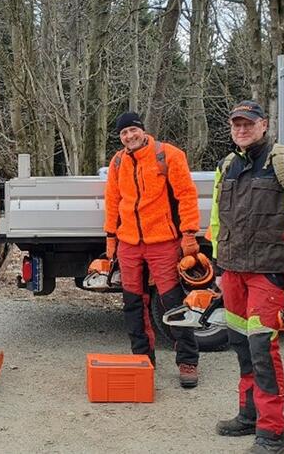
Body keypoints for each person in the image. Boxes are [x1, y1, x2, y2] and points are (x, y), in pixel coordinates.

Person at [209, 100, 284, 454]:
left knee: (262, 348)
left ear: (263, 124)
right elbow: (216, 218)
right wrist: (217, 264)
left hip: (268, 271)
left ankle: (272, 434)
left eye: (248, 124)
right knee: (240, 343)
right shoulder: (226, 166)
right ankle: (249, 415)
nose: (242, 130)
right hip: (233, 270)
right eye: (236, 125)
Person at [103, 111, 202, 388]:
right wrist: (111, 238)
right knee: (133, 304)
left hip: (163, 242)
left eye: (133, 130)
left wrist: (189, 234)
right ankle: (142, 359)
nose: (129, 136)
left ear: (143, 130)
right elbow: (113, 200)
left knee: (172, 302)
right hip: (129, 243)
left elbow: (186, 195)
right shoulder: (118, 161)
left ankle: (188, 361)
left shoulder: (168, 155)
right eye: (123, 133)